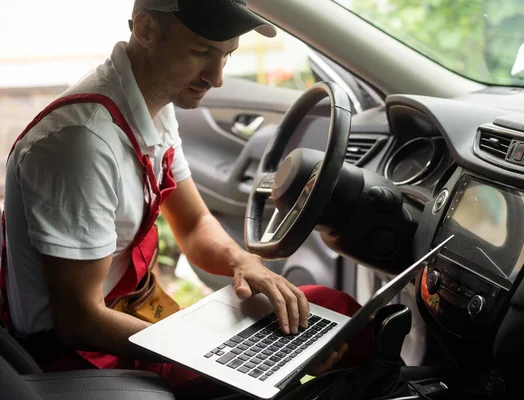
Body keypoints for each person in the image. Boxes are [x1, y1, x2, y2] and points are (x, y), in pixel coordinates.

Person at [0, 0, 372, 398]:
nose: (217, 78)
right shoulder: (81, 144)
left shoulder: (151, 103)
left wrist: (244, 262)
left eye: (227, 55)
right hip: (84, 356)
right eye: (201, 52)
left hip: (134, 316)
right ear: (145, 30)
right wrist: (210, 354)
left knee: (333, 310)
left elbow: (193, 224)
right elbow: (77, 320)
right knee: (293, 347)